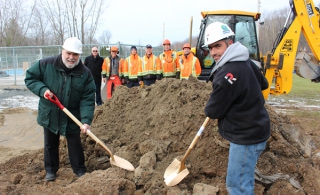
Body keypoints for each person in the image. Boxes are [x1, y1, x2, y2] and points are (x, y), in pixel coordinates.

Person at [203, 22, 270, 194]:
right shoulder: (246, 61)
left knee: (238, 186)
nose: (214, 52)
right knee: (243, 180)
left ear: (230, 43)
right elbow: (263, 83)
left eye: (218, 46)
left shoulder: (226, 75)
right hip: (257, 129)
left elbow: (212, 111)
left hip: (246, 137)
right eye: (210, 48)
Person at [24, 37, 95, 181]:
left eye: (75, 54)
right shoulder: (46, 64)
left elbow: (87, 99)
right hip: (50, 112)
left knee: (75, 144)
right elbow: (30, 78)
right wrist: (42, 89)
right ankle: (50, 170)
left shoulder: (85, 73)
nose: (71, 57)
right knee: (50, 143)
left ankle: (79, 170)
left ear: (79, 55)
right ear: (62, 51)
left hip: (72, 115)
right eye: (68, 53)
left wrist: (86, 121)